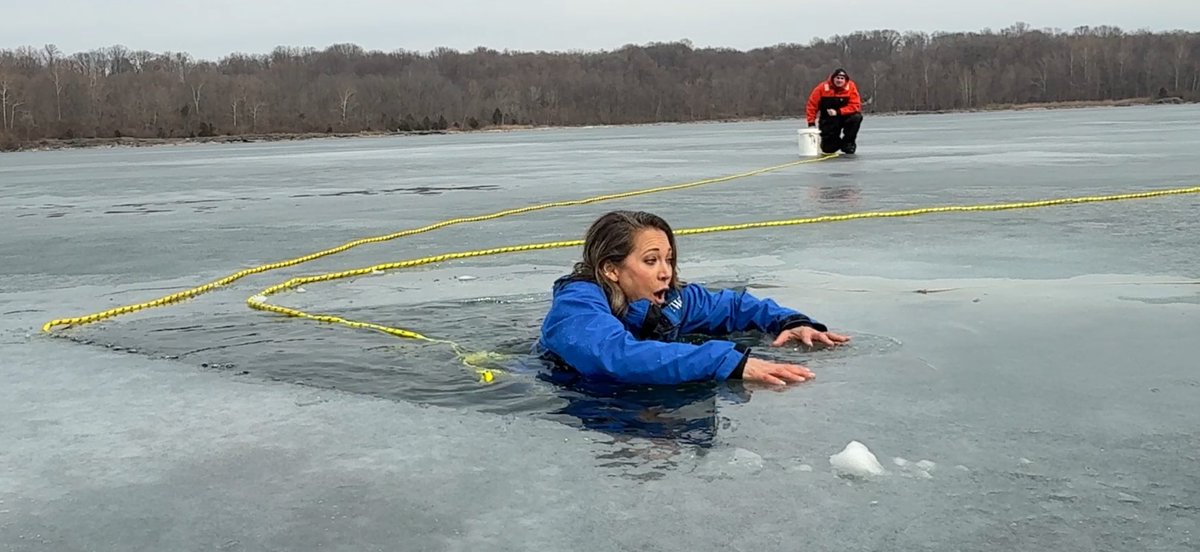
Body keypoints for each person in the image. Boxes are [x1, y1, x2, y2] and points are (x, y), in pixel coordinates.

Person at [537, 210, 849, 386]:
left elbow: (732, 306)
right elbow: (615, 356)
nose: (665, 273)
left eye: (668, 260)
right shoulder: (576, 307)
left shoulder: (671, 301)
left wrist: (792, 321)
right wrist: (726, 360)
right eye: (651, 261)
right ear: (611, 269)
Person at [806, 68, 863, 154]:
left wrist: (839, 112)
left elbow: (855, 105)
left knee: (856, 117)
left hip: (845, 117)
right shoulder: (822, 88)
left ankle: (848, 142)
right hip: (828, 120)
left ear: (845, 80)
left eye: (842, 78)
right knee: (829, 149)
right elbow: (811, 106)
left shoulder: (851, 87)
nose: (839, 80)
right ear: (833, 78)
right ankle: (836, 142)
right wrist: (811, 123)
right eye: (837, 78)